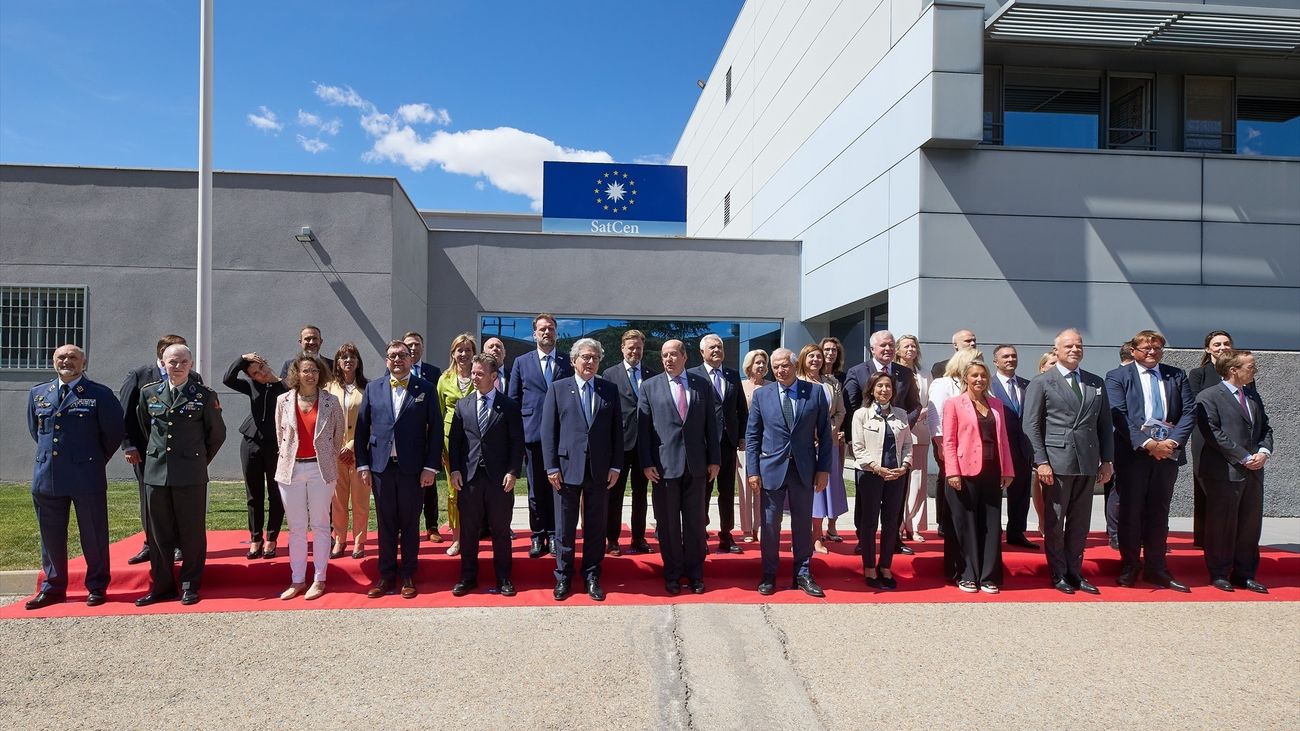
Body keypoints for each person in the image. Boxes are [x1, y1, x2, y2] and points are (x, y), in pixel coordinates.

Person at [24, 345, 125, 610]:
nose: (66, 361)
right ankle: (54, 588)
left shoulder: (99, 394)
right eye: (61, 357)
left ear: (84, 363)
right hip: (47, 476)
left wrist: (89, 459)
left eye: (73, 358)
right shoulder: (38, 393)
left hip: (86, 475)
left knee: (93, 534)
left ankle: (97, 586)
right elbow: (37, 431)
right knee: (50, 537)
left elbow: (113, 434)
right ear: (53, 361)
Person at [134, 344, 226, 607]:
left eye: (183, 362)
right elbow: (144, 427)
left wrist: (197, 460)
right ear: (163, 364)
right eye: (172, 362)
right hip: (156, 473)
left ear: (191, 364)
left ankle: (189, 585)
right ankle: (162, 586)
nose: (177, 366)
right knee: (158, 533)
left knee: (191, 532)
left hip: (190, 474)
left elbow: (216, 435)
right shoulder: (149, 393)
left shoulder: (204, 396)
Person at [1023, 329, 1114, 596]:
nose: (1075, 349)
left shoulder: (1095, 382)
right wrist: (1041, 461)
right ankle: (1058, 572)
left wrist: (1107, 460)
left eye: (1079, 345)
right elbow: (1031, 426)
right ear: (1056, 350)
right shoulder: (1042, 382)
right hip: (1057, 461)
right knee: (1055, 520)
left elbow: (1104, 425)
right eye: (1069, 346)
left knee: (1080, 522)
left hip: (1087, 461)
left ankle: (1076, 571)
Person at [1105, 330, 1195, 592]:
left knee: (1159, 511)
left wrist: (1171, 443)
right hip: (1134, 454)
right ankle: (1130, 566)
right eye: (1145, 348)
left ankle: (1157, 568)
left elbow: (1190, 412)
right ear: (1133, 351)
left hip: (1167, 454)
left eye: (1156, 348)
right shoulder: (1118, 376)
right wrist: (1149, 444)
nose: (1151, 352)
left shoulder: (1175, 374)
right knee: (1131, 512)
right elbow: (1118, 415)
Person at [355, 340, 442, 600]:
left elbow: (435, 431)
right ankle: (385, 576)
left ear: (411, 359)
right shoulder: (373, 388)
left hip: (413, 470)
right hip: (381, 468)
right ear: (386, 360)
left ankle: (408, 575)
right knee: (386, 524)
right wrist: (363, 465)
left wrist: (430, 467)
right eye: (392, 356)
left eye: (402, 355)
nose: (397, 360)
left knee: (409, 524)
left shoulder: (425, 389)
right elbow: (361, 430)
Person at [745, 347, 833, 597]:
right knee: (771, 525)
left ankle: (803, 573)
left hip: (804, 469)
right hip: (771, 469)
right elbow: (752, 436)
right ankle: (769, 574)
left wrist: (824, 469)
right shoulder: (763, 395)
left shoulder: (815, 392)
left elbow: (825, 436)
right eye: (776, 367)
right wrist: (753, 470)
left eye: (785, 365)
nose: (780, 371)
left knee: (803, 523)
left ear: (795, 365)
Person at [541, 338, 623, 601]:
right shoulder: (558, 389)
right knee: (565, 526)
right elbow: (548, 432)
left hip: (599, 470)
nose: (590, 362)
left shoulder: (609, 390)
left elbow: (616, 433)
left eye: (595, 358)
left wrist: (615, 465)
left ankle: (591, 575)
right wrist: (551, 466)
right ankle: (563, 577)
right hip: (565, 469)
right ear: (574, 360)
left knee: (596, 527)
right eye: (585, 357)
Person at [638, 339, 720, 594]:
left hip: (696, 466)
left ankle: (695, 573)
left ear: (685, 357)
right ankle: (672, 573)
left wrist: (714, 460)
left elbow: (711, 425)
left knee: (695, 523)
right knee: (669, 524)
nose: (668, 359)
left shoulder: (702, 385)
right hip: (663, 468)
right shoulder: (650, 387)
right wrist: (646, 462)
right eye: (664, 355)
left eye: (673, 354)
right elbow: (644, 429)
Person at [118, 334, 201, 566]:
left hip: (182, 455)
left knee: (178, 500)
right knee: (150, 499)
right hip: (148, 452)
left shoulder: (193, 377)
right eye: (169, 352)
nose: (176, 361)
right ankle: (150, 543)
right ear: (161, 354)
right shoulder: (140, 376)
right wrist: (129, 445)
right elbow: (126, 414)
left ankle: (177, 545)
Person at [1195, 349, 1272, 593]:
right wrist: (1243, 456)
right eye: (1251, 366)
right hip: (1223, 471)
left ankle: (1245, 573)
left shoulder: (1252, 395)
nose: (1255, 370)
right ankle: (1219, 572)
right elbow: (1212, 433)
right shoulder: (1209, 396)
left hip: (1253, 471)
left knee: (1250, 525)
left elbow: (1265, 428)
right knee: (1222, 524)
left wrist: (1263, 452)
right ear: (1233, 370)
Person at [448, 353, 525, 597]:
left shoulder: (509, 406)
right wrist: (456, 470)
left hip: (499, 480)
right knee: (469, 531)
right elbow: (456, 442)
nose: (474, 377)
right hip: (469, 479)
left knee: (500, 531)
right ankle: (468, 577)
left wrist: (513, 472)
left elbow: (517, 442)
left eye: (480, 374)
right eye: (473, 373)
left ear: (493, 376)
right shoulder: (463, 404)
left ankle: (504, 578)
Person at [843, 330, 922, 558]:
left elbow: (915, 405)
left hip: (897, 443)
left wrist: (903, 424)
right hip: (868, 445)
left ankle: (893, 539)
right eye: (882, 346)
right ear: (872, 349)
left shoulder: (905, 373)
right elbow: (851, 407)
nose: (887, 349)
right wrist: (854, 439)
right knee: (866, 499)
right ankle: (863, 540)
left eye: (890, 345)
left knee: (896, 496)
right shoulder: (857, 371)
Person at [272, 355, 345, 600]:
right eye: (305, 371)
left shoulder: (330, 402)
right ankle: (297, 580)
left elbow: (338, 436)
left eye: (314, 370)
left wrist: (325, 457)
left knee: (322, 525)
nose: (310, 375)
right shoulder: (283, 400)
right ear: (296, 373)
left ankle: (319, 578)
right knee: (296, 528)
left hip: (320, 470)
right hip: (290, 470)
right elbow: (280, 434)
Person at [942, 360, 1015, 594]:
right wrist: (952, 471)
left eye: (983, 376)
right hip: (963, 471)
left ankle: (988, 575)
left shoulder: (996, 404)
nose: (979, 380)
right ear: (965, 379)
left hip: (993, 470)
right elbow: (949, 441)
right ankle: (967, 574)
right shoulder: (954, 404)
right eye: (974, 376)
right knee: (966, 524)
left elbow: (1003, 439)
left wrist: (1008, 470)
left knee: (991, 524)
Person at [508, 313, 573, 559]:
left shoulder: (568, 362)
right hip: (532, 434)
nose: (547, 333)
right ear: (534, 333)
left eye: (551, 329)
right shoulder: (521, 362)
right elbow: (513, 401)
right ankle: (538, 536)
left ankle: (556, 536)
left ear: (556, 333)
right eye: (542, 329)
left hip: (562, 435)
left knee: (559, 488)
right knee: (536, 490)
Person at [849, 371, 912, 590]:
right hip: (870, 475)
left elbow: (907, 446)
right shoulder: (861, 415)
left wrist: (903, 466)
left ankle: (885, 566)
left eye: (888, 386)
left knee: (891, 522)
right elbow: (857, 448)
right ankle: (868, 566)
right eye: (879, 386)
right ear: (872, 390)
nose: (884, 390)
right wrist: (877, 468)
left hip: (896, 475)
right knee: (869, 523)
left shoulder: (901, 415)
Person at [223, 352, 288, 560]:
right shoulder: (251, 386)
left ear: (266, 363)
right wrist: (241, 359)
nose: (261, 374)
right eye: (255, 373)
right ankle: (255, 538)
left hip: (277, 446)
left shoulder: (287, 386)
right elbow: (227, 379)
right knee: (253, 493)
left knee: (276, 492)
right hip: (251, 443)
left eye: (261, 368)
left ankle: (271, 538)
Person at [927, 347, 983, 580]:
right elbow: (935, 417)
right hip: (951, 450)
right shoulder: (943, 384)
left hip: (975, 454)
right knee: (954, 499)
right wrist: (940, 446)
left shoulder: (975, 384)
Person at [690, 333, 747, 554]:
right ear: (702, 351)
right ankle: (699, 533)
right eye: (712, 347)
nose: (716, 351)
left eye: (720, 347)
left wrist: (742, 435)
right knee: (702, 490)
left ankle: (726, 534)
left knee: (726, 490)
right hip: (702, 443)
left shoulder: (732, 375)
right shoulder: (692, 375)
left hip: (727, 441)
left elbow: (742, 409)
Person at [603, 329, 657, 556]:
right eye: (630, 347)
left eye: (638, 348)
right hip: (620, 443)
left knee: (641, 493)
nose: (635, 351)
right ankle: (613, 539)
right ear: (622, 348)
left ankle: (638, 537)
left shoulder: (652, 374)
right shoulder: (609, 374)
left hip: (644, 444)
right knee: (614, 493)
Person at [796, 344, 846, 554]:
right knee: (801, 492)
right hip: (802, 446)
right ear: (803, 359)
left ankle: (817, 537)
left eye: (819, 356)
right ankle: (801, 536)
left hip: (827, 444)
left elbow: (840, 411)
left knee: (821, 491)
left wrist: (827, 432)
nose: (816, 360)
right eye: (811, 356)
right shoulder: (796, 383)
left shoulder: (831, 383)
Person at [1187, 330, 1234, 549]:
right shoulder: (1199, 374)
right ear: (1208, 349)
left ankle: (1228, 534)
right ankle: (1204, 538)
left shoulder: (1238, 373)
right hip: (1205, 435)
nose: (1222, 347)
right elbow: (1196, 404)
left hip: (1234, 436)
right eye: (1217, 344)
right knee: (1206, 484)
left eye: (1226, 343)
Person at [988, 344, 1037, 550]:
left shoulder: (1028, 385)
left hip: (1022, 448)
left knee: (1021, 493)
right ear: (995, 361)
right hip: (997, 448)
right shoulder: (988, 385)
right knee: (994, 493)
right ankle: (992, 534)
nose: (1010, 359)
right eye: (1005, 356)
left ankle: (1016, 532)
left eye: (1013, 356)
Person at [324, 342, 369, 559]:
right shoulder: (328, 388)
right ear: (338, 363)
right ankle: (340, 540)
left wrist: (351, 445)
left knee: (360, 501)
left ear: (358, 362)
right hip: (335, 454)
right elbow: (323, 422)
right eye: (343, 357)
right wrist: (338, 446)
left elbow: (371, 422)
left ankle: (360, 542)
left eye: (352, 356)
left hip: (360, 452)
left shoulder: (368, 388)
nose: (348, 360)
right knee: (338, 501)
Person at [434, 333, 477, 556]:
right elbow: (438, 414)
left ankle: (475, 536)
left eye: (468, 350)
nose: (463, 354)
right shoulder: (444, 379)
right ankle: (457, 538)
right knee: (454, 491)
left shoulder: (480, 376)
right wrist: (440, 447)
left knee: (475, 491)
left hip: (476, 441)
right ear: (453, 353)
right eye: (459, 350)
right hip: (451, 442)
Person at [1101, 341, 1137, 550]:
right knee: (1118, 490)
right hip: (1121, 442)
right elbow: (1116, 412)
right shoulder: (1116, 376)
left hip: (1144, 446)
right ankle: (1114, 533)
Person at [894, 335, 930, 543]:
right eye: (906, 346)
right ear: (898, 350)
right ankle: (897, 524)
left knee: (918, 481)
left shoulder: (925, 374)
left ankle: (913, 525)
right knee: (900, 481)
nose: (911, 349)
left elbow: (930, 401)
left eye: (914, 346)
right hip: (897, 430)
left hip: (920, 430)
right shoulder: (893, 372)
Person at [737, 349, 770, 543]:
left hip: (767, 444)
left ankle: (760, 526)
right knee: (745, 487)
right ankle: (747, 529)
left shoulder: (772, 386)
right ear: (749, 365)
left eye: (764, 363)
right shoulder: (740, 387)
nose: (761, 366)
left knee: (763, 488)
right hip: (745, 443)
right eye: (758, 362)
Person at [1031, 350, 1058, 538]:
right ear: (1042, 367)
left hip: (1062, 448)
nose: (1055, 367)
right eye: (1051, 364)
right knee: (1040, 486)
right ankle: (1043, 521)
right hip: (1040, 445)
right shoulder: (1037, 385)